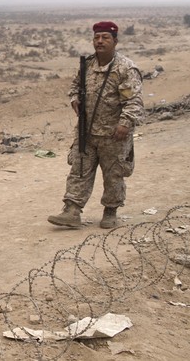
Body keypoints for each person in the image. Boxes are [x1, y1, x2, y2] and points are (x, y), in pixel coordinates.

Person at [48, 21, 144, 229]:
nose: (99, 41)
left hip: (114, 134)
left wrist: (125, 124)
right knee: (79, 170)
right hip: (87, 131)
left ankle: (110, 211)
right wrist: (74, 99)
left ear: (115, 41)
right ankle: (72, 210)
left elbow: (133, 101)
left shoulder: (126, 68)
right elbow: (75, 86)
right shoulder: (87, 65)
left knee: (113, 174)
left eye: (105, 38)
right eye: (96, 38)